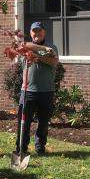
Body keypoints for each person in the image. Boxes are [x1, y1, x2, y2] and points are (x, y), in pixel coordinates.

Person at [17, 22, 59, 156]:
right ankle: (21, 148)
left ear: (44, 32)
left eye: (39, 31)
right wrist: (40, 53)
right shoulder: (25, 47)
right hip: (28, 91)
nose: (37, 33)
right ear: (30, 33)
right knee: (24, 122)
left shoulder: (52, 47)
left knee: (43, 122)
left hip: (46, 91)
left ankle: (40, 148)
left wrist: (37, 54)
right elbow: (25, 48)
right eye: (34, 31)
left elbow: (53, 60)